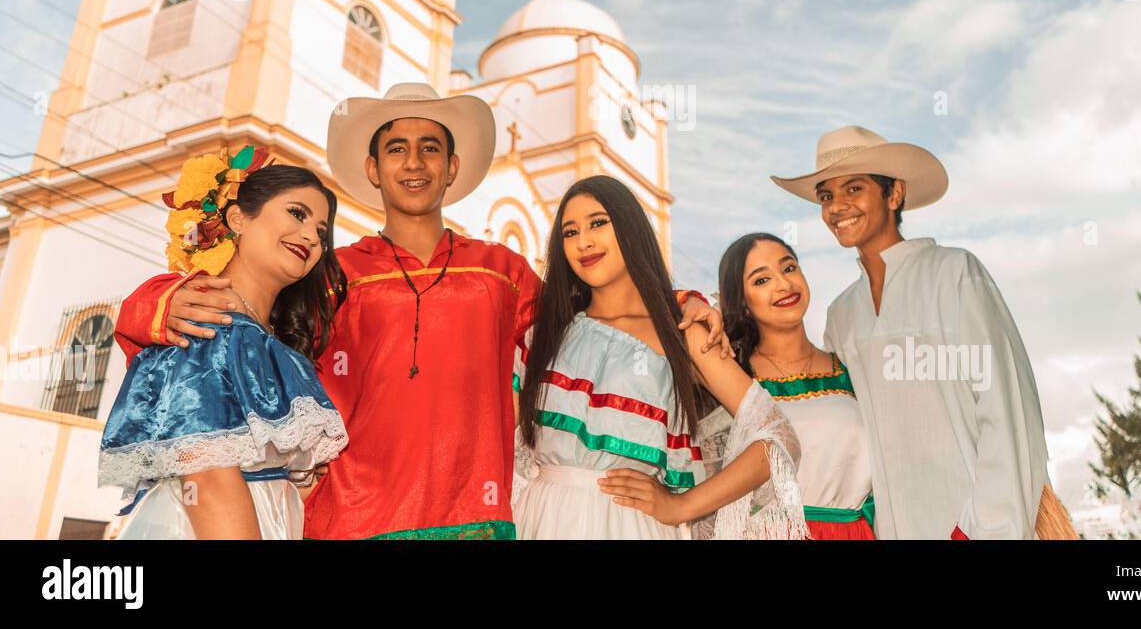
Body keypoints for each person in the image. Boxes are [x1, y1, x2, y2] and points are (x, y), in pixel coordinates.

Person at [114, 83, 727, 539]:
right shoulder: (331, 269)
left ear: (452, 169)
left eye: (430, 148)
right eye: (397, 149)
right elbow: (245, 313)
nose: (414, 162)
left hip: (475, 514)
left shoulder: (500, 270)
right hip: (346, 515)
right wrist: (152, 303)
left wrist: (680, 303)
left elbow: (592, 315)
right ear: (374, 169)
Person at [771, 125, 1073, 540]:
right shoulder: (842, 315)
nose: (836, 207)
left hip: (975, 524)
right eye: (826, 196)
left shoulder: (954, 274)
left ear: (894, 194)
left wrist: (984, 529)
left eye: (853, 189)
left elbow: (1007, 411)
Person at [513, 175, 808, 540]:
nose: (583, 241)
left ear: (631, 227)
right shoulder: (543, 335)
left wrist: (681, 506)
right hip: (539, 520)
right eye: (569, 232)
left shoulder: (683, 332)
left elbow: (778, 438)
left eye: (598, 223)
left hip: (631, 525)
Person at [99, 148, 349, 538]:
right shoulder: (204, 321)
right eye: (297, 213)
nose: (310, 237)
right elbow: (209, 477)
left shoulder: (275, 345)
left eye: (321, 232)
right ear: (237, 218)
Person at [717, 232, 875, 539]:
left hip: (851, 532)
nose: (783, 284)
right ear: (742, 303)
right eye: (761, 280)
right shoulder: (730, 376)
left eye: (789, 268)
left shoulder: (851, 368)